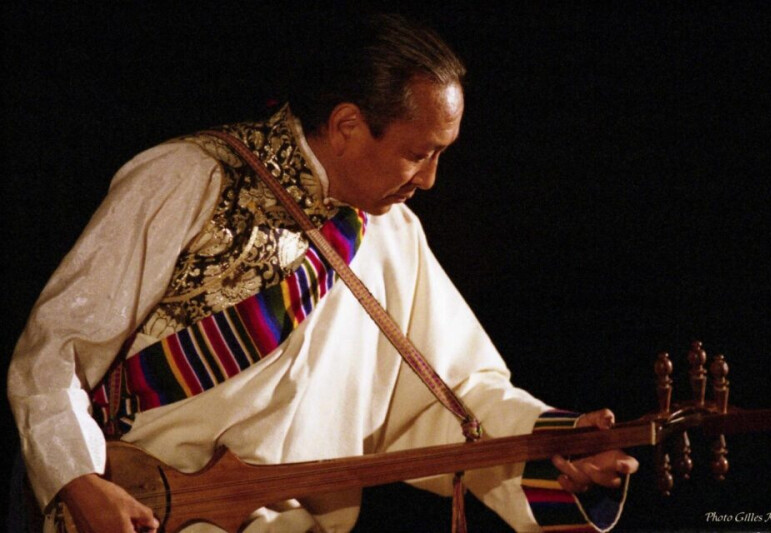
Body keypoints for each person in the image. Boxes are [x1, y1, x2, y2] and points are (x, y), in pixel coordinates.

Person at [8, 14, 638, 533]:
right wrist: (77, 480)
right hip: (146, 516)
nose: (429, 180)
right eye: (420, 153)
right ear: (346, 125)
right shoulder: (187, 177)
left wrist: (554, 446)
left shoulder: (391, 235)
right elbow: (53, 351)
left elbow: (455, 400)